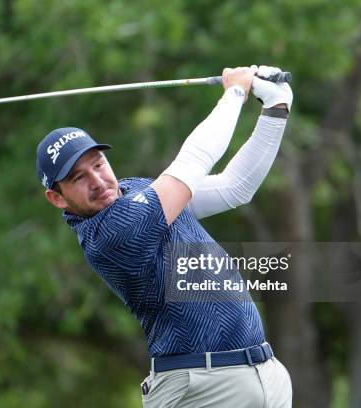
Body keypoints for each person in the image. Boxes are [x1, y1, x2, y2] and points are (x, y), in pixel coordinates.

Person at [36, 66, 293, 407]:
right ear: (57, 197)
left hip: (263, 374)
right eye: (78, 178)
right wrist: (235, 94)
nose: (97, 181)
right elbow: (195, 159)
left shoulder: (138, 192)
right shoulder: (112, 233)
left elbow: (236, 187)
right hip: (201, 389)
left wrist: (275, 109)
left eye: (98, 164)